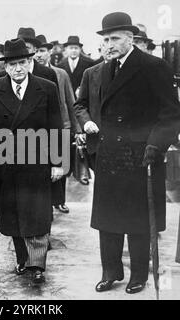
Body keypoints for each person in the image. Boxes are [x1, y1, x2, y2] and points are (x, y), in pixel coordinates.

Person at [92, 12, 180, 294]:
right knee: (108, 218)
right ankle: (111, 271)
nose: (109, 44)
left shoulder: (154, 66)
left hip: (142, 156)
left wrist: (155, 145)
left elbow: (170, 115)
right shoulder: (105, 68)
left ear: (131, 38)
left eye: (115, 38)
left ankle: (139, 274)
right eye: (106, 39)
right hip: (110, 156)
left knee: (139, 219)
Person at [0, 38, 63, 285]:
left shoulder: (46, 88)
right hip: (6, 163)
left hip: (37, 162)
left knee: (36, 214)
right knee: (13, 214)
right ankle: (22, 257)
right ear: (5, 66)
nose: (17, 69)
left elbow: (56, 126)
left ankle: (37, 264)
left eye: (22, 63)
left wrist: (58, 162)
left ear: (30, 62)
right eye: (12, 64)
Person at [35, 34, 82, 210]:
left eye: (42, 51)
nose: (38, 55)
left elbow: (70, 101)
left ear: (49, 52)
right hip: (40, 127)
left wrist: (76, 128)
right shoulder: (30, 74)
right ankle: (46, 203)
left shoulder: (60, 73)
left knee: (60, 164)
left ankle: (60, 201)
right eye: (36, 52)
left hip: (61, 124)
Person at [73, 41, 112, 169]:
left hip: (124, 146)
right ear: (100, 50)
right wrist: (87, 122)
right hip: (97, 143)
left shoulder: (129, 73)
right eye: (104, 46)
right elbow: (80, 105)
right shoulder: (90, 73)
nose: (109, 49)